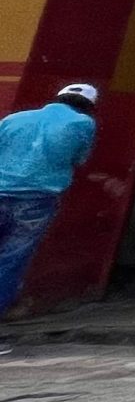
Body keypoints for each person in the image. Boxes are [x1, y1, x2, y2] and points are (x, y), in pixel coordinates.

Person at [0, 82, 100, 324]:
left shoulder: (14, 119)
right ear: (89, 106)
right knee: (10, 260)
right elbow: (80, 158)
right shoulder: (83, 123)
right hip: (37, 199)